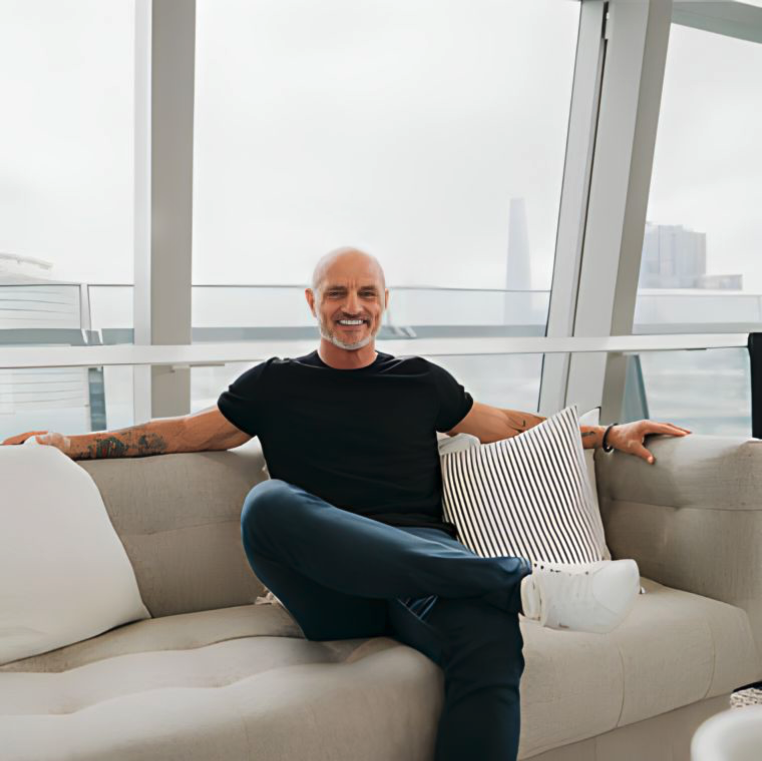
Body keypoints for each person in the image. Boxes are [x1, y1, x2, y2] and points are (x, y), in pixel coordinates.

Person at [1, 246, 692, 760]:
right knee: (268, 504)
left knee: (492, 644)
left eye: (366, 292)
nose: (352, 306)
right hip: (330, 585)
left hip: (427, 568)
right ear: (312, 302)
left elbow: (509, 424)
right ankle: (521, 581)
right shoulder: (272, 384)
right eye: (337, 292)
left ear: (385, 302)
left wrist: (609, 433)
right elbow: (182, 432)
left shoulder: (421, 380)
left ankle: (512, 589)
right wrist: (69, 442)